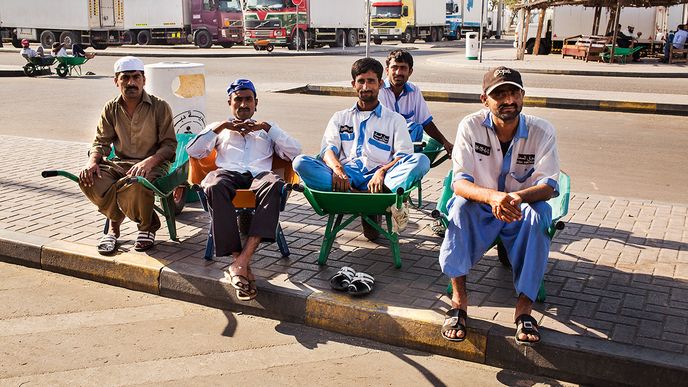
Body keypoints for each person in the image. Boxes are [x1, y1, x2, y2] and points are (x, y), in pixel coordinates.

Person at [439, 67, 560, 346]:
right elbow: (459, 183)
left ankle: (524, 311)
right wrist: (493, 197)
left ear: (523, 95)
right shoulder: (470, 126)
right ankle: (459, 302)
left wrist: (516, 198)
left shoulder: (542, 131)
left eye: (513, 92)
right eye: (499, 94)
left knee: (541, 216)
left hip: (520, 207)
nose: (508, 100)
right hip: (482, 204)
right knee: (457, 208)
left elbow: (550, 186)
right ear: (485, 99)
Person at [186, 79, 302, 301]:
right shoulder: (219, 129)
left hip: (259, 176)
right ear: (230, 103)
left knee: (275, 185)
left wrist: (267, 128)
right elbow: (193, 150)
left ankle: (240, 263)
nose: (243, 104)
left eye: (248, 99)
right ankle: (239, 259)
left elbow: (295, 150)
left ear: (256, 103)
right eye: (238, 99)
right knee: (213, 184)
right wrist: (221, 127)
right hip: (228, 174)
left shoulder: (267, 130)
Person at [292, 57, 430, 240]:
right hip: (344, 180)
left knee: (421, 160)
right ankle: (362, 196)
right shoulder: (340, 117)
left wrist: (381, 172)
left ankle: (373, 196)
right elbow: (328, 150)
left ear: (380, 84)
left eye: (371, 81)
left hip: (381, 180)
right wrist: (337, 169)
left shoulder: (394, 119)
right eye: (361, 81)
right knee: (300, 162)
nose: (366, 87)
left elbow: (404, 155)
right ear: (353, 84)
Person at [78, 56, 177, 255]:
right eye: (125, 78)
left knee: (136, 185)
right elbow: (101, 142)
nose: (131, 82)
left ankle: (130, 228)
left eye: (135, 77)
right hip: (119, 164)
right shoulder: (110, 108)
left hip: (153, 165)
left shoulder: (160, 106)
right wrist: (92, 162)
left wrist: (150, 161)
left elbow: (169, 145)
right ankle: (136, 222)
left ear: (144, 80)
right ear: (116, 81)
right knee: (87, 180)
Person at [378, 50, 453, 153]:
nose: (398, 72)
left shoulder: (414, 91)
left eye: (403, 68)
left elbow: (426, 122)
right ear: (387, 71)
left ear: (410, 72)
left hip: (407, 149)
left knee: (416, 128)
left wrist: (445, 142)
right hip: (382, 146)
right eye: (394, 68)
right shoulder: (378, 91)